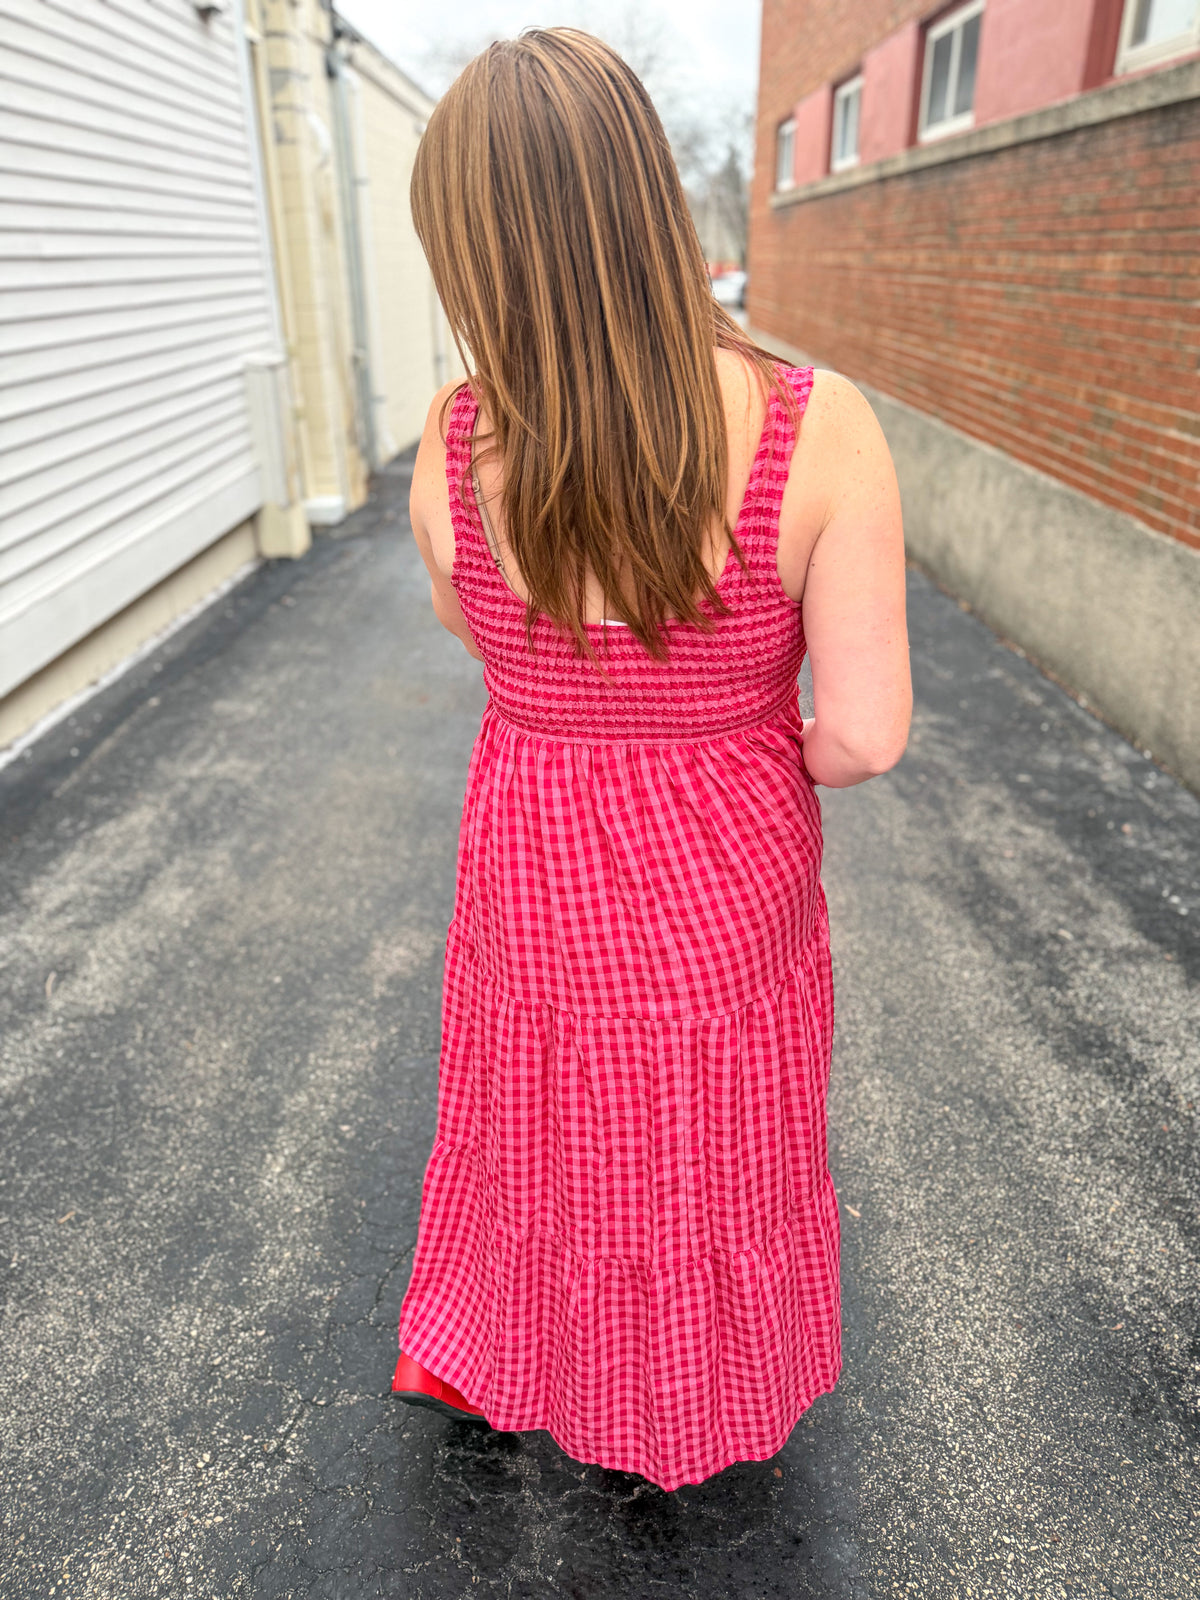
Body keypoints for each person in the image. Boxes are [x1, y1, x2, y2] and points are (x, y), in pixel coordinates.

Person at [392, 27, 911, 1493]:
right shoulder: (822, 431)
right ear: (649, 200)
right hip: (724, 857)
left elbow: (469, 622)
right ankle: (688, 1405)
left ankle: (523, 1353)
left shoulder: (455, 432)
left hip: (535, 841)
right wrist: (747, 735)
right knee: (707, 1130)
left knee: (542, 1111)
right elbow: (866, 734)